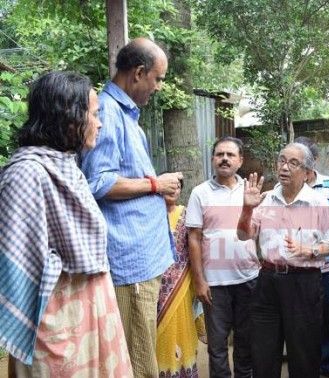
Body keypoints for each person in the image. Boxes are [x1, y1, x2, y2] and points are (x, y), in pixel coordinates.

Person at [0, 71, 132, 376]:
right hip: (57, 326)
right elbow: (17, 270)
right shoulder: (26, 174)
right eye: (95, 114)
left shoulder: (67, 167)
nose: (99, 123)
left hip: (93, 314)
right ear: (69, 117)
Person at [81, 38, 182, 377]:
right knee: (138, 364)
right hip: (129, 265)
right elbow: (99, 182)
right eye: (158, 77)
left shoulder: (126, 115)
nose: (159, 86)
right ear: (139, 73)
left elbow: (124, 180)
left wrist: (158, 193)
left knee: (141, 354)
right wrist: (155, 184)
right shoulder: (108, 113)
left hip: (141, 262)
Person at [237, 143, 329, 378]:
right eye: (282, 160)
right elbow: (243, 234)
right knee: (263, 353)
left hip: (304, 283)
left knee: (304, 354)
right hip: (268, 281)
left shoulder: (318, 203)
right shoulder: (267, 199)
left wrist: (310, 251)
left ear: (307, 173)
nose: (285, 167)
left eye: (294, 163)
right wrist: (246, 209)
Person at [187, 136, 260, 378]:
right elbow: (194, 238)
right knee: (217, 347)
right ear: (212, 160)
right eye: (219, 155)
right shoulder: (200, 193)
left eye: (230, 155)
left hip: (248, 278)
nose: (224, 159)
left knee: (246, 341)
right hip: (215, 284)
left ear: (240, 161)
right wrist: (199, 280)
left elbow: (253, 234)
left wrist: (249, 206)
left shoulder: (250, 191)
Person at [294, 136, 329, 378]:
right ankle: (307, 366)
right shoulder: (282, 189)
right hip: (297, 267)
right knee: (301, 320)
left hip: (325, 265)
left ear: (313, 161)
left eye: (301, 160)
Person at [157, 178, 200, 377]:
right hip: (156, 285)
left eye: (177, 186)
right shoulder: (151, 216)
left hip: (183, 284)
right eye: (169, 185)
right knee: (160, 332)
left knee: (183, 329)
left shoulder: (186, 213)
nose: (173, 189)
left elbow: (196, 245)